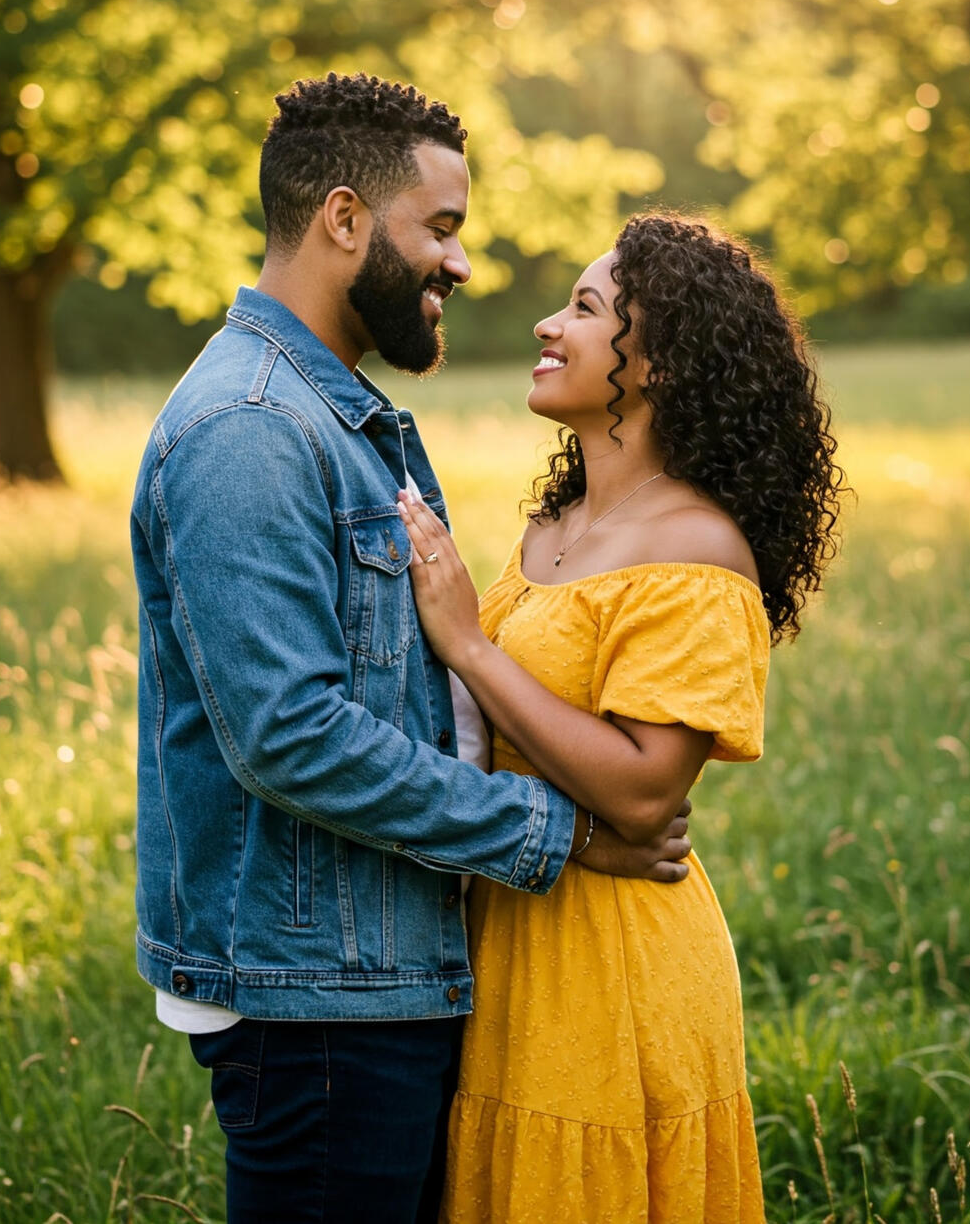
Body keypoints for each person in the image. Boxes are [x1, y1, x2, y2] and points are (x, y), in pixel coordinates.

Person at [129, 76, 694, 1224]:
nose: (462, 265)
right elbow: (291, 736)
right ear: (344, 220)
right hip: (318, 1004)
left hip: (369, 973)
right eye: (441, 228)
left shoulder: (327, 413)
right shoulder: (254, 429)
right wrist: (560, 832)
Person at [395, 213, 844, 1223]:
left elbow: (646, 790)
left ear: (662, 367)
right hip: (510, 934)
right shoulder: (553, 524)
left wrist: (467, 642)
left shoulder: (698, 550)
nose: (551, 325)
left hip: (619, 964)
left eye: (588, 309)